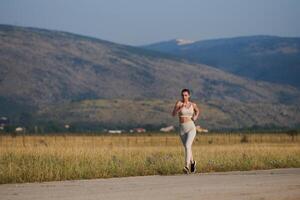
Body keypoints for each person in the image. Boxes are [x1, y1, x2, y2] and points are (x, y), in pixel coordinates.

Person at [172, 88, 200, 174]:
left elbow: (197, 111)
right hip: (182, 128)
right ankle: (193, 163)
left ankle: (187, 166)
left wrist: (195, 117)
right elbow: (173, 114)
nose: (184, 97)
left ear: (189, 95)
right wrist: (180, 109)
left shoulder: (193, 104)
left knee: (188, 145)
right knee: (187, 147)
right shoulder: (179, 103)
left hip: (191, 127)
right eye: (183, 95)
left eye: (186, 95)